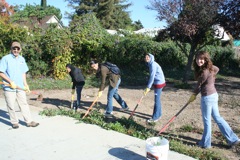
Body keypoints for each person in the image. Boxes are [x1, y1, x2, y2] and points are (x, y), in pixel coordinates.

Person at [188, 51, 240, 148]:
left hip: (207, 98)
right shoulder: (210, 68)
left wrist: (193, 95)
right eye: (197, 59)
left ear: (205, 59)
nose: (199, 61)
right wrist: (211, 78)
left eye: (201, 59)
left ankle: (205, 144)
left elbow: (198, 86)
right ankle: (233, 139)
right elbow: (217, 69)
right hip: (214, 95)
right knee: (218, 118)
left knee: (207, 121)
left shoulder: (204, 72)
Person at [0, 41, 39, 129]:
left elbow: (23, 73)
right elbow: (1, 72)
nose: (16, 50)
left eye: (18, 49)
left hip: (20, 87)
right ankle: (14, 122)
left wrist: (26, 85)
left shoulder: (22, 59)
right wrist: (10, 82)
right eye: (14, 48)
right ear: (11, 49)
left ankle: (29, 121)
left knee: (24, 104)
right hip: (9, 87)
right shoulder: (5, 59)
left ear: (20, 49)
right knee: (11, 105)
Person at [144, 53, 166, 123]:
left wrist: (148, 87)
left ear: (151, 58)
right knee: (158, 99)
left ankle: (155, 117)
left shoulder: (153, 64)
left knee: (156, 100)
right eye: (145, 57)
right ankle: (159, 114)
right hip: (158, 82)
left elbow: (152, 77)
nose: (146, 58)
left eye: (148, 57)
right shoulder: (150, 64)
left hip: (159, 83)